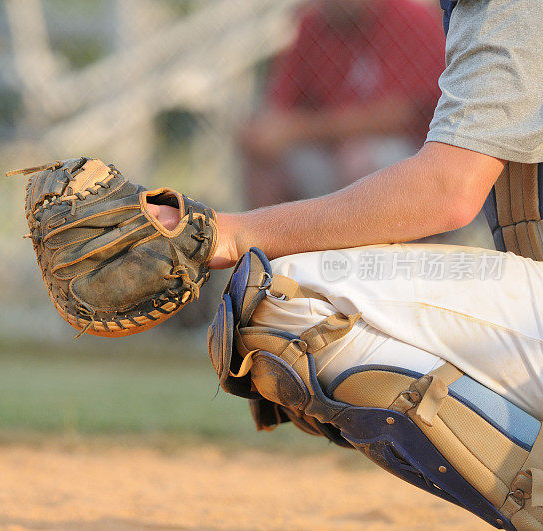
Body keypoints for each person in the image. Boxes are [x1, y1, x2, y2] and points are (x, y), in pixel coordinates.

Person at [147, 0, 543, 526]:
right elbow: (274, 120)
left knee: (289, 298)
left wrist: (229, 232)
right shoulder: (318, 26)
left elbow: (446, 186)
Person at [239, 0, 444, 206]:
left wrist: (299, 129)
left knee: (357, 159)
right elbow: (278, 108)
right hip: (330, 152)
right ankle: (264, 237)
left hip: (411, 156)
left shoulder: (410, 16)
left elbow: (396, 117)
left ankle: (372, 238)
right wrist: (260, 133)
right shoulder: (313, 24)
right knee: (266, 156)